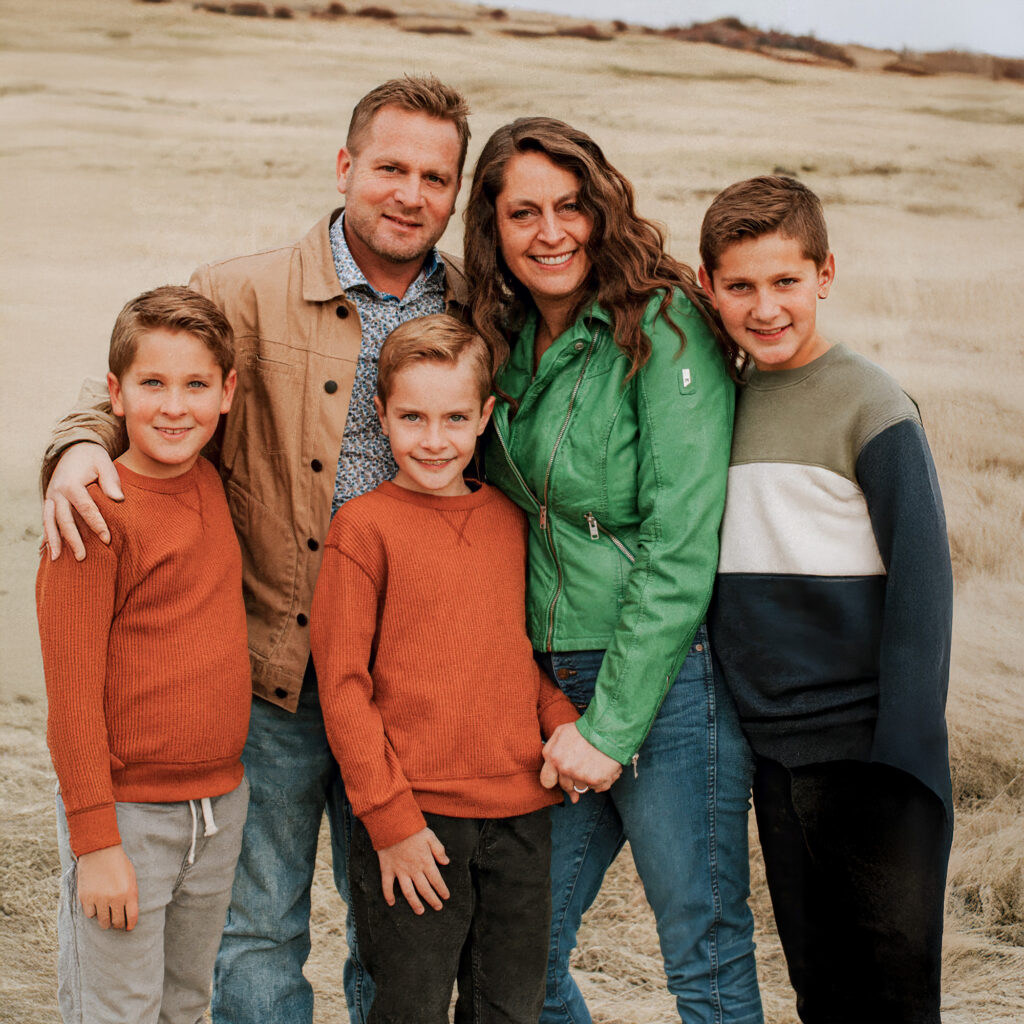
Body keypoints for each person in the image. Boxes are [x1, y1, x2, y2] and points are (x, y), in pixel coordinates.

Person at [38, 75, 472, 1024]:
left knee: (392, 933)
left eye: (435, 177)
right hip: (270, 674)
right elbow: (148, 373)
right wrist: (75, 443)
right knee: (256, 934)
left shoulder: (481, 311)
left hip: (403, 686)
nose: (409, 193)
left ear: (455, 193)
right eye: (390, 167)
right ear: (346, 165)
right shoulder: (241, 289)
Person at [464, 117, 763, 1024]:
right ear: (494, 229)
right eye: (523, 213)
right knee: (515, 950)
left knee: (703, 955)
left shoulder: (665, 325)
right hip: (547, 684)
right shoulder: (499, 332)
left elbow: (680, 545)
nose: (550, 233)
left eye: (569, 207)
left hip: (665, 682)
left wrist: (613, 723)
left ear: (600, 211)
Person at [697, 175, 953, 1024]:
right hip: (774, 753)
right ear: (710, 289)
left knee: (892, 996)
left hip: (869, 754)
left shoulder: (871, 407)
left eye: (785, 282)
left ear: (825, 276)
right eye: (740, 286)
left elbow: (924, 591)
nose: (764, 307)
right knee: (821, 987)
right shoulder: (717, 403)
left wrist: (903, 762)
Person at [310, 313, 580, 1022]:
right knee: (411, 1005)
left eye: (456, 417)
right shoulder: (363, 528)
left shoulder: (508, 519)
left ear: (486, 415)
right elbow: (342, 686)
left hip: (521, 817)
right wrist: (389, 819)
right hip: (417, 821)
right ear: (382, 415)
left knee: (510, 1007)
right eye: (413, 418)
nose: (434, 440)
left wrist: (560, 723)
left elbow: (509, 653)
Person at [36, 286, 251, 1024]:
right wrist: (96, 842)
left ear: (226, 394)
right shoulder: (91, 513)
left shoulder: (215, 481)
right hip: (126, 815)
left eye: (195, 385)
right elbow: (69, 699)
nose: (173, 407)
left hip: (217, 810)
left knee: (185, 1005)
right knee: (118, 1009)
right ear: (114, 393)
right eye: (151, 384)